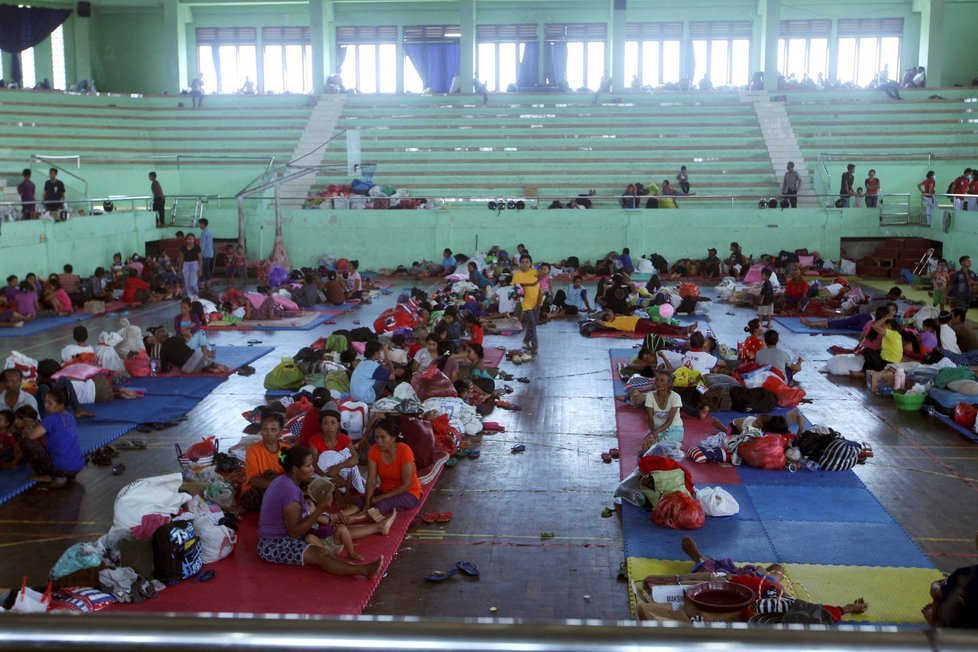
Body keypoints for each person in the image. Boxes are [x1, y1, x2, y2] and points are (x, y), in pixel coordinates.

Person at [256, 445, 383, 577]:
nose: (312, 469)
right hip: (273, 544)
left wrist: (316, 512)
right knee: (320, 554)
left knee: (334, 526)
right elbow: (294, 532)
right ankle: (363, 570)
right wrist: (320, 509)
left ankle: (377, 527)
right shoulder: (289, 490)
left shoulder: (285, 480)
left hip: (284, 534)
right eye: (308, 466)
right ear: (295, 469)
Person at [345, 418, 422, 517]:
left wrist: (380, 497)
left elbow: (406, 485)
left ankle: (353, 519)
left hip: (409, 493)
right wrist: (368, 502)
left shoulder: (404, 450)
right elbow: (371, 480)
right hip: (386, 490)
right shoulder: (374, 450)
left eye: (383, 437)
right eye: (376, 437)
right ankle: (337, 516)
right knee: (362, 501)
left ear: (393, 437)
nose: (379, 441)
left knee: (383, 505)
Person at [21, 388, 85, 485]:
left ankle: (45, 475)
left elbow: (31, 436)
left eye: (50, 403)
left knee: (25, 442)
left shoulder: (50, 419)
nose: (46, 406)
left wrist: (25, 428)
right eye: (45, 402)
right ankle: (70, 474)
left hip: (61, 469)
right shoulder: (70, 416)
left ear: (61, 404)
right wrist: (36, 424)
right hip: (78, 467)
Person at [308, 407, 365, 494]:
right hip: (323, 473)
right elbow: (314, 464)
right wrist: (329, 476)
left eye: (333, 423)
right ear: (321, 425)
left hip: (341, 471)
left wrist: (337, 468)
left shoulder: (344, 439)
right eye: (325, 423)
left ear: (338, 424)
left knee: (350, 460)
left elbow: (355, 459)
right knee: (310, 479)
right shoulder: (314, 440)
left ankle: (340, 487)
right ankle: (337, 486)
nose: (329, 427)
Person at [240, 413, 289, 511]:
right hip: (256, 491)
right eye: (265, 429)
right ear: (261, 431)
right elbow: (253, 480)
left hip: (280, 488)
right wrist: (279, 486)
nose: (269, 433)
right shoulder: (253, 451)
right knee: (270, 475)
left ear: (280, 432)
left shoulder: (286, 450)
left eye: (273, 430)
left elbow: (290, 473)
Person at [643, 370, 684, 453]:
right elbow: (650, 418)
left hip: (674, 428)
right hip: (656, 427)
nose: (658, 383)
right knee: (651, 444)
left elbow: (669, 421)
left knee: (659, 446)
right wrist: (652, 433)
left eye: (662, 380)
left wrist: (654, 434)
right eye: (657, 380)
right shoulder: (650, 396)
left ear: (669, 383)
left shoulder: (676, 397)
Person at [513, 254, 541, 355]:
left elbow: (541, 284)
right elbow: (516, 291)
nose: (525, 264)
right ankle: (535, 346)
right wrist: (520, 303)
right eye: (522, 262)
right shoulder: (517, 275)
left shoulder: (534, 272)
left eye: (527, 262)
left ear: (530, 264)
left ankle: (526, 340)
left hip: (537, 302)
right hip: (526, 303)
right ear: (519, 263)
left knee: (534, 323)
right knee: (532, 324)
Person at [349, 341, 394, 405]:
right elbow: (392, 377)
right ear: (375, 353)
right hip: (365, 398)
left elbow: (377, 368)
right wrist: (390, 363)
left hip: (354, 397)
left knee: (383, 375)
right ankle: (398, 394)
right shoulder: (374, 366)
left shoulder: (362, 362)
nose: (380, 354)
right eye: (380, 352)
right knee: (388, 378)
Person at [176, 232, 203, 298]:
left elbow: (200, 259)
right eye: (189, 239)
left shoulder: (197, 247)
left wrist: (200, 270)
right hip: (186, 265)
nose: (190, 241)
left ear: (194, 240)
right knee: (187, 284)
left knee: (193, 283)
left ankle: (197, 293)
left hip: (194, 265)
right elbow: (181, 260)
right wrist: (179, 270)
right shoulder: (183, 248)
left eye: (192, 239)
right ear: (186, 240)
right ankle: (190, 296)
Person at [198, 219, 214, 288]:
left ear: (203, 224)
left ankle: (202, 282)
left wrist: (200, 253)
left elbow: (202, 244)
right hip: (209, 253)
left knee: (202, 268)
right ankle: (208, 281)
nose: (199, 225)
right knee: (207, 268)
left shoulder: (203, 233)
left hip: (204, 253)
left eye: (200, 224)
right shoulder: (209, 232)